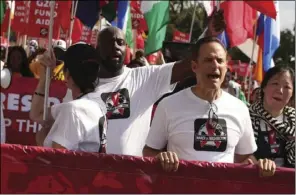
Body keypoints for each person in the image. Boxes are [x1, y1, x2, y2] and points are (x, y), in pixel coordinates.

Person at [30, 9, 226, 156]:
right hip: (90, 181)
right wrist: (45, 77)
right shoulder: (83, 85)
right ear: (97, 50)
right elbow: (43, 121)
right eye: (108, 42)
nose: (115, 46)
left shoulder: (144, 78)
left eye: (120, 43)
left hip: (131, 180)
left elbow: (186, 65)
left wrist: (208, 36)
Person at [143, 37, 276, 176]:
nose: (215, 66)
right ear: (195, 67)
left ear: (226, 67)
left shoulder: (240, 108)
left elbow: (245, 158)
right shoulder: (168, 105)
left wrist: (262, 165)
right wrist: (161, 159)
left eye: (220, 61)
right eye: (208, 60)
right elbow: (149, 151)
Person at [29, 44, 107, 152]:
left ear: (67, 74)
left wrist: (42, 139)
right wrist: (46, 78)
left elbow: (57, 160)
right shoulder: (96, 104)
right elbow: (36, 114)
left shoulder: (74, 110)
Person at [249, 66, 295, 168]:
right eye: (275, 84)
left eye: (287, 87)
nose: (280, 91)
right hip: (254, 180)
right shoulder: (247, 117)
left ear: (292, 93)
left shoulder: (293, 120)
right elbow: (241, 155)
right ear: (264, 87)